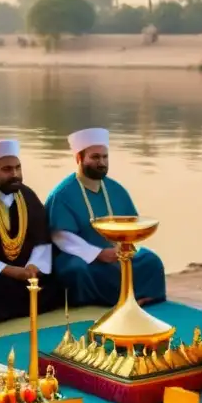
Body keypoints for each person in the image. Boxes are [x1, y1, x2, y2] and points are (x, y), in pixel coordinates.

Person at [45, 127, 166, 307]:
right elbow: (61, 237)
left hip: (116, 253)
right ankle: (98, 304)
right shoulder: (62, 194)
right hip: (80, 257)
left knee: (151, 261)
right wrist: (98, 254)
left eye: (104, 157)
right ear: (79, 158)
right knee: (77, 271)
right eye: (95, 157)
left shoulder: (116, 189)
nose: (101, 162)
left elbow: (131, 224)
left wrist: (125, 248)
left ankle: (138, 298)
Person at [0, 139, 62, 322]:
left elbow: (42, 239)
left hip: (28, 271)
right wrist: (8, 270)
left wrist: (33, 266)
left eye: (18, 168)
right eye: (7, 169)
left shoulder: (28, 196)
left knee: (58, 278)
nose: (15, 174)